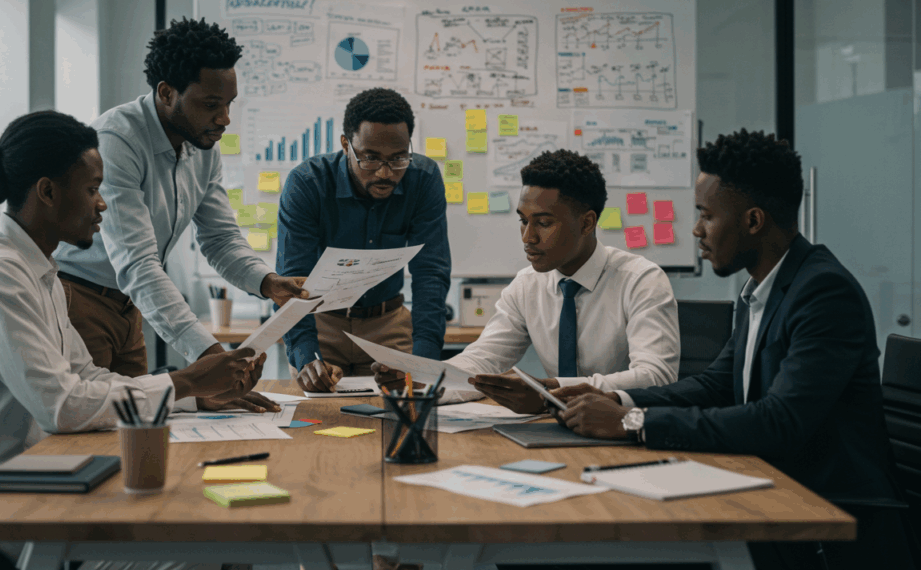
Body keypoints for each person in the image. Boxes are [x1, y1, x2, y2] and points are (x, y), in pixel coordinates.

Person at [551, 130, 916, 570]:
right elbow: (717, 384)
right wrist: (616, 399)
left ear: (753, 221)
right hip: (773, 492)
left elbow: (779, 421)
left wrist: (633, 422)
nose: (696, 229)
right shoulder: (763, 288)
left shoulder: (823, 292)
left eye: (706, 215)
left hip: (827, 524)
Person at [0, 111, 265, 500]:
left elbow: (87, 377)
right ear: (48, 192)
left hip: (38, 467)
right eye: (92, 190)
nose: (102, 204)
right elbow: (62, 406)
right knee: (184, 515)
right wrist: (186, 381)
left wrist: (191, 397)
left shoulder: (37, 268)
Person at [54, 18, 305, 412]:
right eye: (211, 104)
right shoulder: (116, 141)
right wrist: (210, 358)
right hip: (79, 301)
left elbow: (220, 238)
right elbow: (138, 263)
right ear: (167, 93)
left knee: (142, 418)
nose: (224, 118)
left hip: (128, 305)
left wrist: (267, 282)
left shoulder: (203, 146)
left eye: (229, 104)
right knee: (95, 426)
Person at [374, 149, 680, 412]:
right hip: (556, 428)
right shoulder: (526, 285)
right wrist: (425, 383)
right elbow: (483, 360)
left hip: (628, 428)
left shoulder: (641, 281)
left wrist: (552, 390)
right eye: (523, 221)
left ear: (587, 223)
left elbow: (657, 376)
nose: (528, 237)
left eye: (543, 223)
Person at [276, 88, 451, 393]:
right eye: (370, 158)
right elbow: (293, 279)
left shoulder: (423, 179)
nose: (385, 173)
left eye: (398, 158)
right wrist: (306, 356)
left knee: (408, 411)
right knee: (318, 414)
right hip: (322, 323)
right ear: (346, 145)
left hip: (389, 324)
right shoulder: (307, 184)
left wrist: (425, 359)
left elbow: (430, 273)